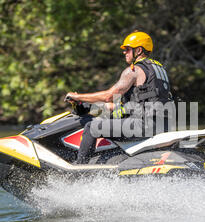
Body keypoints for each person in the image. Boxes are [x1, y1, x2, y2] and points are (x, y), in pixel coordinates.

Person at [65, 31, 175, 164]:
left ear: (139, 50)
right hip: (164, 126)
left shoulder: (134, 71)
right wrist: (89, 108)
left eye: (128, 49)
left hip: (144, 125)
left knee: (91, 127)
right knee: (111, 117)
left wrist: (78, 97)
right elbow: (124, 105)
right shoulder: (159, 69)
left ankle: (79, 169)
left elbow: (108, 96)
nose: (124, 52)